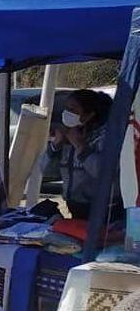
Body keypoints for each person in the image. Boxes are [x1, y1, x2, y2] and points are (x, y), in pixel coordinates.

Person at [40, 88, 120, 221]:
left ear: (89, 115)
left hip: (104, 211)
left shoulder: (105, 138)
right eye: (66, 108)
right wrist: (55, 146)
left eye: (73, 110)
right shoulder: (67, 136)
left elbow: (105, 173)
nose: (67, 113)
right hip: (76, 209)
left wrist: (80, 146)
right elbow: (46, 171)